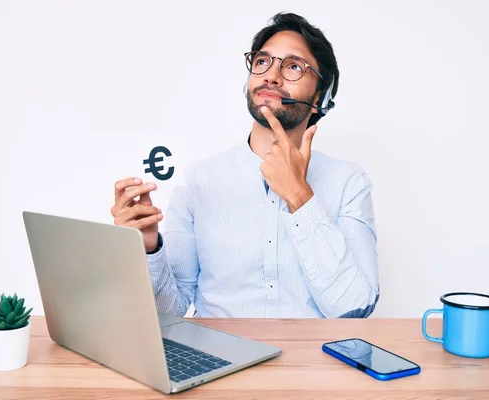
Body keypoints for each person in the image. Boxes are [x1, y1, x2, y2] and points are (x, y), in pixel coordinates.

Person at [110, 12, 379, 318]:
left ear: (320, 96)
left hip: (310, 360)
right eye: (263, 61)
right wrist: (148, 248)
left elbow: (355, 308)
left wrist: (300, 199)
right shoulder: (199, 180)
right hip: (218, 359)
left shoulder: (349, 183)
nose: (271, 76)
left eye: (293, 66)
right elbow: (170, 310)